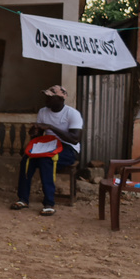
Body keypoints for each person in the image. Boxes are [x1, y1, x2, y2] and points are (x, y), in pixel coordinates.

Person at [11, 84, 83, 216]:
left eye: (50, 98)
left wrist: (51, 127)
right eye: (46, 97)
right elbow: (38, 135)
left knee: (46, 160)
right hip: (47, 145)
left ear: (60, 99)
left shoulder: (72, 114)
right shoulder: (43, 111)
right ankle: (23, 199)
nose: (46, 100)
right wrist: (35, 132)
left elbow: (75, 139)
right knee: (27, 160)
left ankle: (49, 203)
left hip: (68, 148)